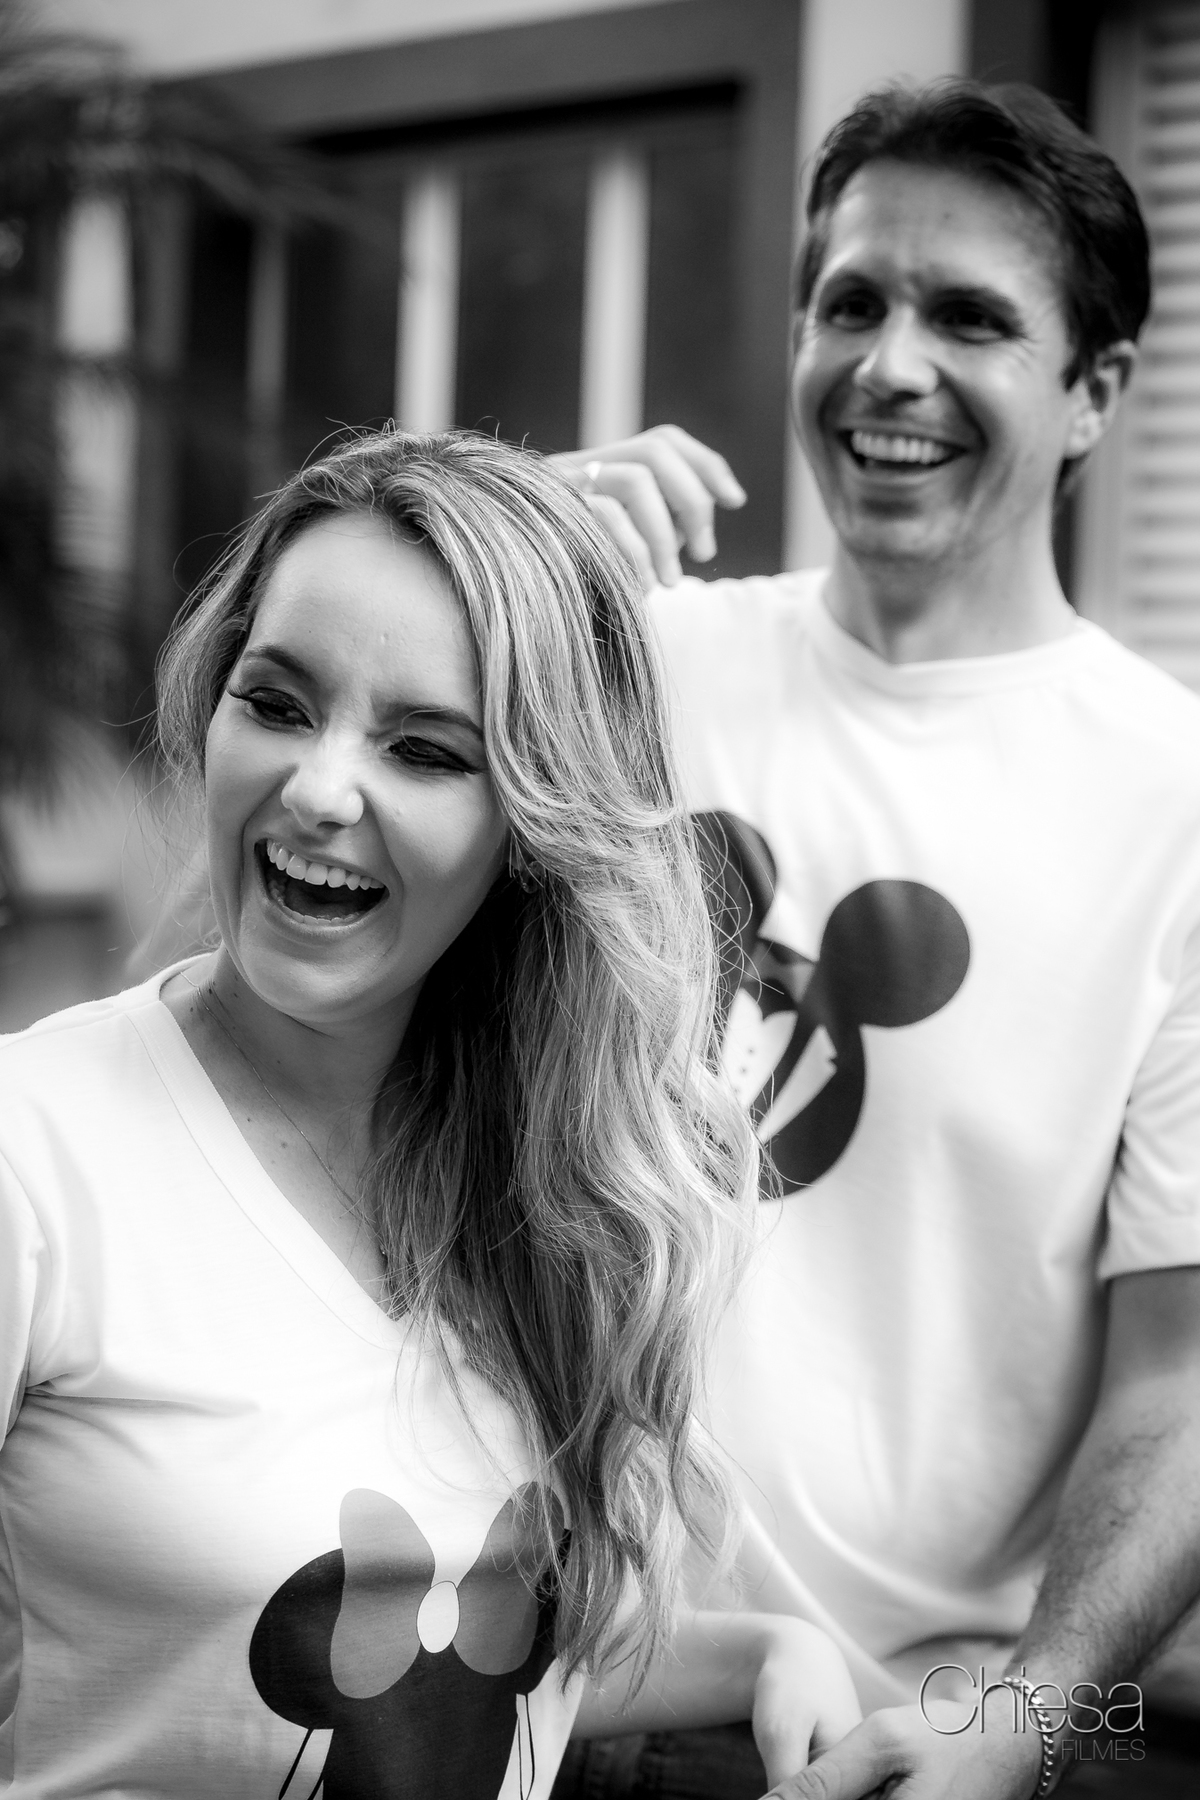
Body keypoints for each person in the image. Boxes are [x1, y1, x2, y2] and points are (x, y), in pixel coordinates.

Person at [0, 430, 861, 1799]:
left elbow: (469, 1653)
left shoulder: (553, 1193)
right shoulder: (33, 1153)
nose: (318, 790)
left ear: (535, 824)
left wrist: (765, 1651)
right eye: (276, 703)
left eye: (423, 749)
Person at [555, 79, 1200, 1800]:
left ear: (1095, 393)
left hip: (907, 1745)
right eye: (852, 303)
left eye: (970, 319)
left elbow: (1182, 1378)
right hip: (550, 1682)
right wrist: (504, 560)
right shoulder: (631, 664)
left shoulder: (1177, 804)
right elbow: (294, 928)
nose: (891, 366)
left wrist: (1032, 1718)